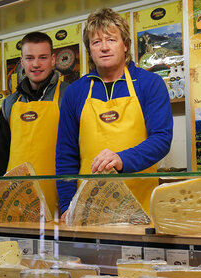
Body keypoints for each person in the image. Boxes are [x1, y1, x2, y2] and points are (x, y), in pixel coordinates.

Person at [56, 8, 173, 218]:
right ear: (89, 50)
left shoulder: (149, 84)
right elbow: (66, 156)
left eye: (111, 39)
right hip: (88, 212)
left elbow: (161, 140)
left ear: (125, 44)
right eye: (96, 42)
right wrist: (66, 206)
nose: (104, 48)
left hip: (142, 208)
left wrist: (122, 159)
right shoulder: (75, 92)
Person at [0, 32, 69, 216]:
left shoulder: (69, 96)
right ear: (22, 61)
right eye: (29, 58)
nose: (36, 64)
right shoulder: (10, 103)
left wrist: (70, 203)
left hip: (59, 206)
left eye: (42, 58)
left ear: (53, 60)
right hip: (15, 204)